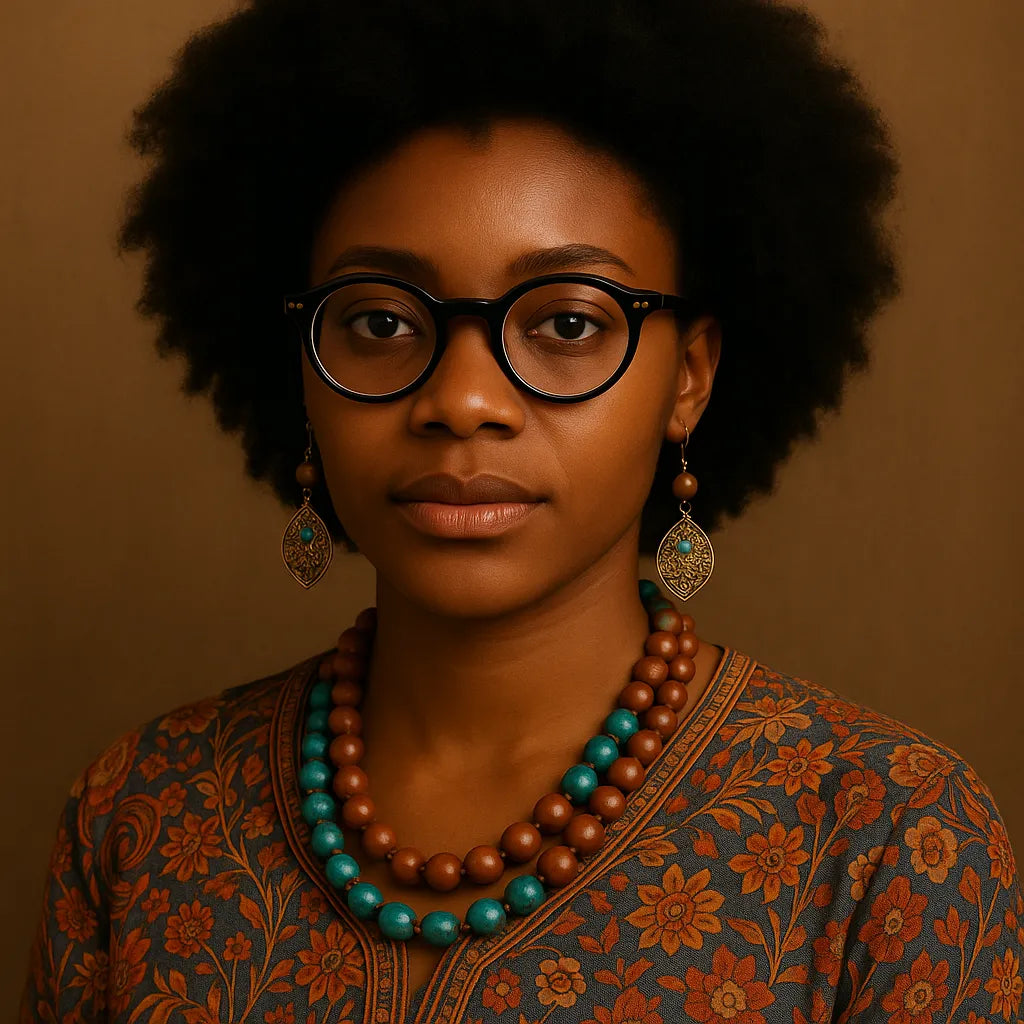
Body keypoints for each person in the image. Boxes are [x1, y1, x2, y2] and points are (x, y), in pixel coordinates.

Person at [20, 0, 1023, 1021]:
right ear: (301, 369)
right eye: (378, 320)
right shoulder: (138, 812)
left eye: (567, 323)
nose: (460, 400)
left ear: (689, 375)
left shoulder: (885, 837)